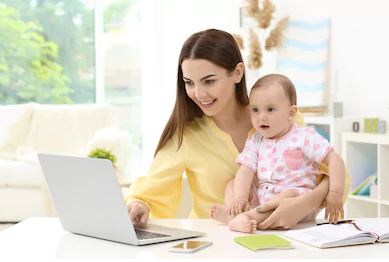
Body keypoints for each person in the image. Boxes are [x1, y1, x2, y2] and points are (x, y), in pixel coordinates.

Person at [125, 29, 335, 230]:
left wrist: (305, 203)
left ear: (237, 73)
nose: (198, 93)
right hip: (216, 244)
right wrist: (140, 206)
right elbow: (150, 190)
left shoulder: (285, 121)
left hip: (285, 238)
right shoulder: (187, 137)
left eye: (209, 81)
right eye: (189, 83)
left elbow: (330, 174)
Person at [210, 74, 346, 233]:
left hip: (295, 199)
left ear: (291, 113)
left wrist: (335, 193)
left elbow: (334, 159)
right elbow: (245, 170)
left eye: (270, 109)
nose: (261, 117)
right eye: (255, 110)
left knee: (288, 194)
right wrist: (240, 198)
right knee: (233, 184)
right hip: (263, 197)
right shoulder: (256, 140)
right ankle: (235, 213)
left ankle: (244, 218)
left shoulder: (304, 137)